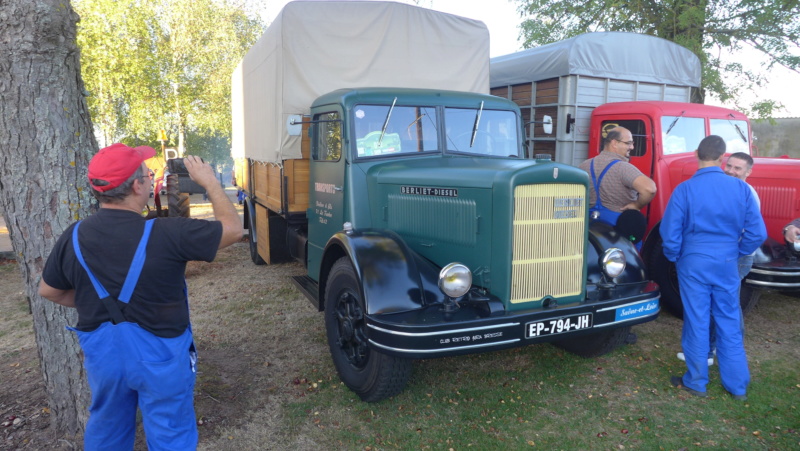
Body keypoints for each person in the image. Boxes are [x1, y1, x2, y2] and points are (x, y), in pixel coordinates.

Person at [38, 143, 243, 450]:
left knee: (107, 428)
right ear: (137, 186)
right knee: (170, 430)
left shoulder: (74, 235)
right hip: (161, 354)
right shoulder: (168, 232)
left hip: (104, 357)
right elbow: (232, 229)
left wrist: (95, 301)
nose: (150, 179)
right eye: (148, 174)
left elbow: (49, 290)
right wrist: (210, 181)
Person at [661, 135, 766, 400]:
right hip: (727, 261)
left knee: (697, 318)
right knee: (729, 319)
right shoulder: (741, 189)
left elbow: (670, 233)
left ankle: (696, 381)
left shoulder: (684, 189)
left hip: (693, 261)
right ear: (723, 158)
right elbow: (757, 233)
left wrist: (676, 256)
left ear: (697, 154)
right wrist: (735, 252)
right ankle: (738, 386)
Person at [676, 151, 762, 365]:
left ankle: (712, 353)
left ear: (748, 172)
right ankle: (716, 353)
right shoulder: (731, 188)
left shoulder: (746, 192)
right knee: (723, 304)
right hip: (726, 255)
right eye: (729, 166)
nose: (731, 171)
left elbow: (753, 232)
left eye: (738, 168)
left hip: (735, 256)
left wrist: (739, 252)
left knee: (725, 305)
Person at [578, 126, 657, 227]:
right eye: (628, 143)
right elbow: (649, 189)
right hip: (618, 227)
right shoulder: (623, 168)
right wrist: (636, 205)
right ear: (614, 143)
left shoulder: (584, 165)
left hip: (588, 224)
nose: (632, 147)